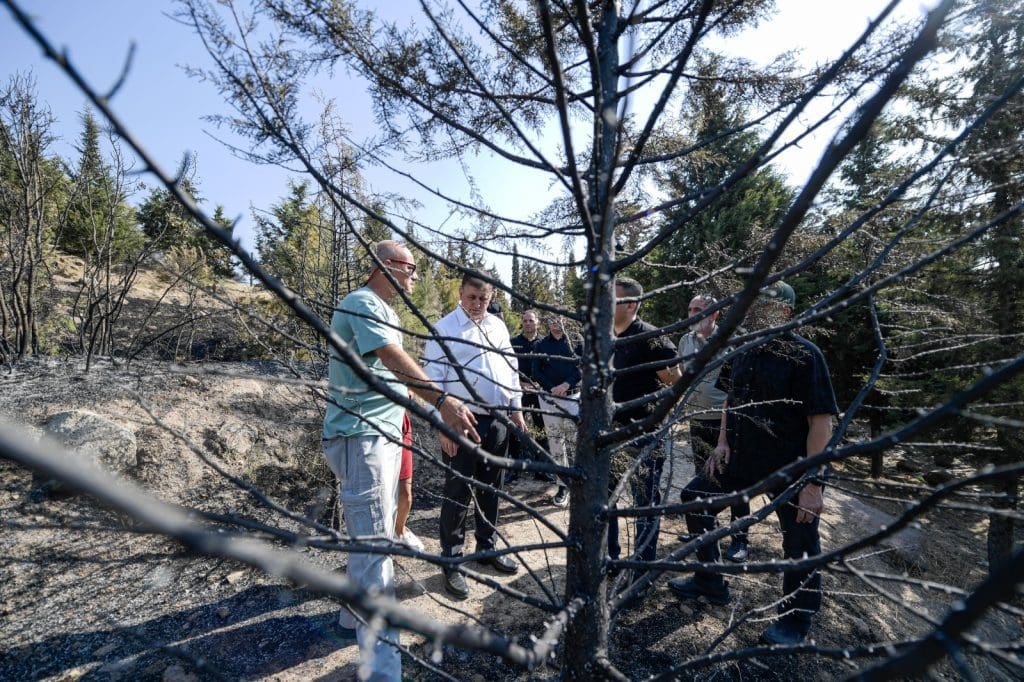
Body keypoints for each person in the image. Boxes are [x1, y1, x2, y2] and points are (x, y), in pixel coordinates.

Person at [322, 240, 479, 680]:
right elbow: (394, 358)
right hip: (362, 439)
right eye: (410, 270)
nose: (414, 278)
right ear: (387, 266)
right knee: (376, 552)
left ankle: (353, 618)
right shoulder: (361, 302)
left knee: (369, 537)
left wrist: (435, 415)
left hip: (379, 437)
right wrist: (445, 400)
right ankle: (383, 670)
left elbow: (396, 379)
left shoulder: (384, 311)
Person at [668, 281, 838, 646]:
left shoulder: (805, 355)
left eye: (766, 306)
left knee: (800, 542)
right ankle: (708, 580)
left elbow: (821, 421)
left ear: (785, 312)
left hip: (791, 469)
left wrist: (813, 482)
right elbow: (730, 400)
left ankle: (796, 618)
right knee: (694, 498)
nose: (755, 312)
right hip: (741, 459)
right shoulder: (742, 349)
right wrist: (723, 442)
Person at [423, 271, 528, 600]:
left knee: (491, 489)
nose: (478, 304)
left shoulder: (497, 326)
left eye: (484, 298)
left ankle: (487, 547)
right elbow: (431, 382)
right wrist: (443, 424)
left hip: (497, 422)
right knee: (457, 493)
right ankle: (451, 560)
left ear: (492, 296)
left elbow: (510, 368)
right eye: (472, 297)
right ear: (460, 293)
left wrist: (516, 408)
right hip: (462, 423)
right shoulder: (444, 330)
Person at [608, 277, 681, 583]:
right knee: (605, 501)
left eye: (610, 300)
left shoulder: (653, 338)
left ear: (631, 304)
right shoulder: (604, 337)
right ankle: (610, 559)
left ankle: (642, 571)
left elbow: (677, 382)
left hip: (644, 436)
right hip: (609, 435)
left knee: (644, 505)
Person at [677, 295, 751, 562]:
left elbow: (735, 386)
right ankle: (704, 527)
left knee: (732, 478)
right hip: (697, 418)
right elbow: (684, 374)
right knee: (702, 476)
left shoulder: (728, 340)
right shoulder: (685, 341)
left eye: (700, 309)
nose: (693, 313)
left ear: (715, 314)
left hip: (725, 422)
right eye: (690, 309)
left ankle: (740, 537)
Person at [534, 314, 582, 507]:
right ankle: (563, 486)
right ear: (548, 323)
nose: (556, 324)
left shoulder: (576, 341)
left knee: (575, 442)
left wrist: (566, 384)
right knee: (556, 443)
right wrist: (553, 388)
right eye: (552, 321)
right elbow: (536, 371)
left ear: (566, 321)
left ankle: (580, 484)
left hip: (573, 398)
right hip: (549, 399)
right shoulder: (541, 345)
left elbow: (582, 367)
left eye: (559, 320)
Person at [509, 310, 552, 481]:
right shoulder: (513, 343)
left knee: (541, 429)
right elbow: (508, 367)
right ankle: (514, 469)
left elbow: (550, 367)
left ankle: (542, 469)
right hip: (518, 391)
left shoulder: (544, 343)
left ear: (538, 323)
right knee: (515, 429)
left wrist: (540, 384)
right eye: (525, 320)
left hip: (539, 392)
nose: (528, 323)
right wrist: (520, 384)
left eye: (531, 320)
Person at [394, 411, 425, 552]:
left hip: (401, 428)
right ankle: (384, 536)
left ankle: (400, 530)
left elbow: (411, 392)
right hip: (374, 431)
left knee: (406, 493)